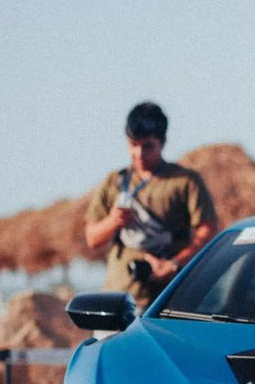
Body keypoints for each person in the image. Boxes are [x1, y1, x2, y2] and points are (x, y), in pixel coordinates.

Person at [84, 102, 218, 307]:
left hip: (168, 300)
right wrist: (113, 221)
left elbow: (207, 230)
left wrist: (174, 263)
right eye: (133, 145)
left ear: (162, 143)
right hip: (119, 298)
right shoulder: (114, 182)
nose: (138, 153)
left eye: (147, 146)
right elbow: (92, 239)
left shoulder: (184, 181)